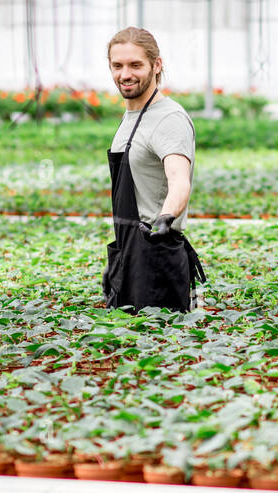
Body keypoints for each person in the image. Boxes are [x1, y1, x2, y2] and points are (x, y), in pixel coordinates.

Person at [102, 27, 206, 313]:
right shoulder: (132, 116)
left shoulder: (168, 118)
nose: (125, 74)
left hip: (155, 253)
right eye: (117, 65)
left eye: (136, 65)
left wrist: (165, 218)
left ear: (156, 65)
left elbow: (179, 180)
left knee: (158, 350)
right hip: (128, 252)